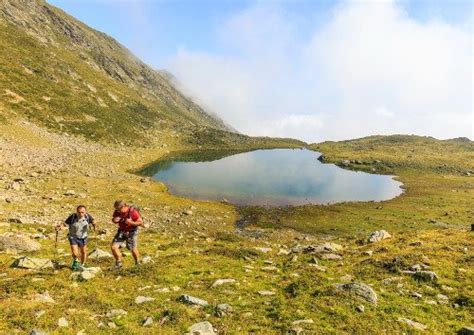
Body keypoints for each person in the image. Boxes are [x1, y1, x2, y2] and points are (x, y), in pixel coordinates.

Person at [57, 205, 96, 271]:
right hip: (73, 236)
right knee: (75, 253)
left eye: (82, 212)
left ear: (85, 212)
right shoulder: (73, 216)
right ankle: (76, 261)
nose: (81, 214)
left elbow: (93, 221)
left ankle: (82, 265)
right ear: (77, 212)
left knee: (83, 252)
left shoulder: (87, 216)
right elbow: (65, 223)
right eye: (79, 212)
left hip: (83, 237)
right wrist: (60, 227)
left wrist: (94, 223)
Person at [111, 200, 143, 269]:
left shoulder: (133, 212)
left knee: (133, 248)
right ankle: (118, 263)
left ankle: (137, 263)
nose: (118, 211)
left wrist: (131, 222)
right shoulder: (117, 211)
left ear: (124, 206)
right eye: (116, 209)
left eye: (119, 209)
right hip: (121, 232)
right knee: (114, 247)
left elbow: (140, 222)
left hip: (132, 232)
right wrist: (114, 220)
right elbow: (113, 219)